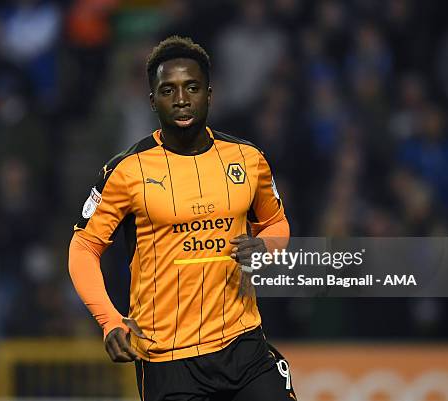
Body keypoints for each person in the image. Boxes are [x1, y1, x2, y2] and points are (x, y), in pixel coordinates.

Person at [69, 36, 296, 401]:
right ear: (152, 100)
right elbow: (83, 247)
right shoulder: (125, 171)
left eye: (192, 87)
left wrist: (266, 246)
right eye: (168, 90)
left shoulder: (248, 159)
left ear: (209, 93)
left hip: (244, 345)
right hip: (168, 361)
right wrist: (110, 320)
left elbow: (276, 224)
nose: (181, 99)